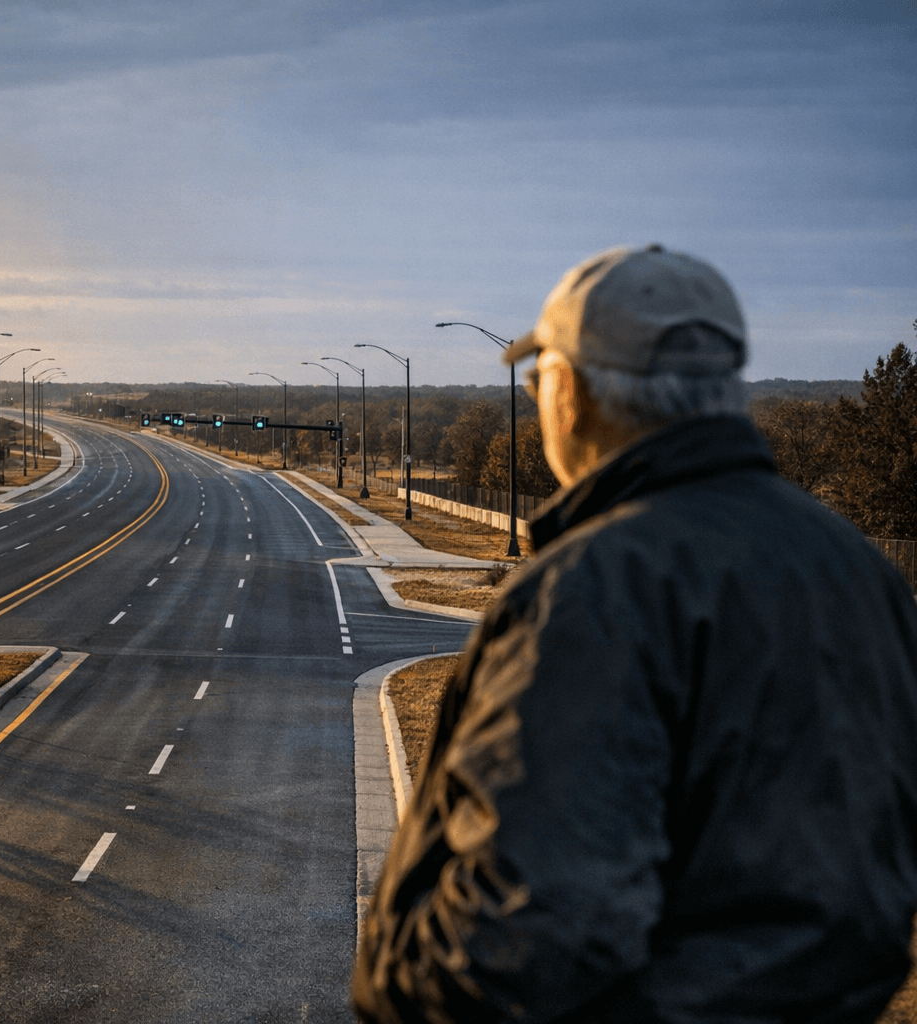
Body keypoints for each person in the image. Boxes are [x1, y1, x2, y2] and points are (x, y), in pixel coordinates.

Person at [353, 245, 917, 1022]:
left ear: (574, 393)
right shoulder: (858, 570)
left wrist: (402, 979)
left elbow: (525, 938)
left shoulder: (596, 590)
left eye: (538, 375)